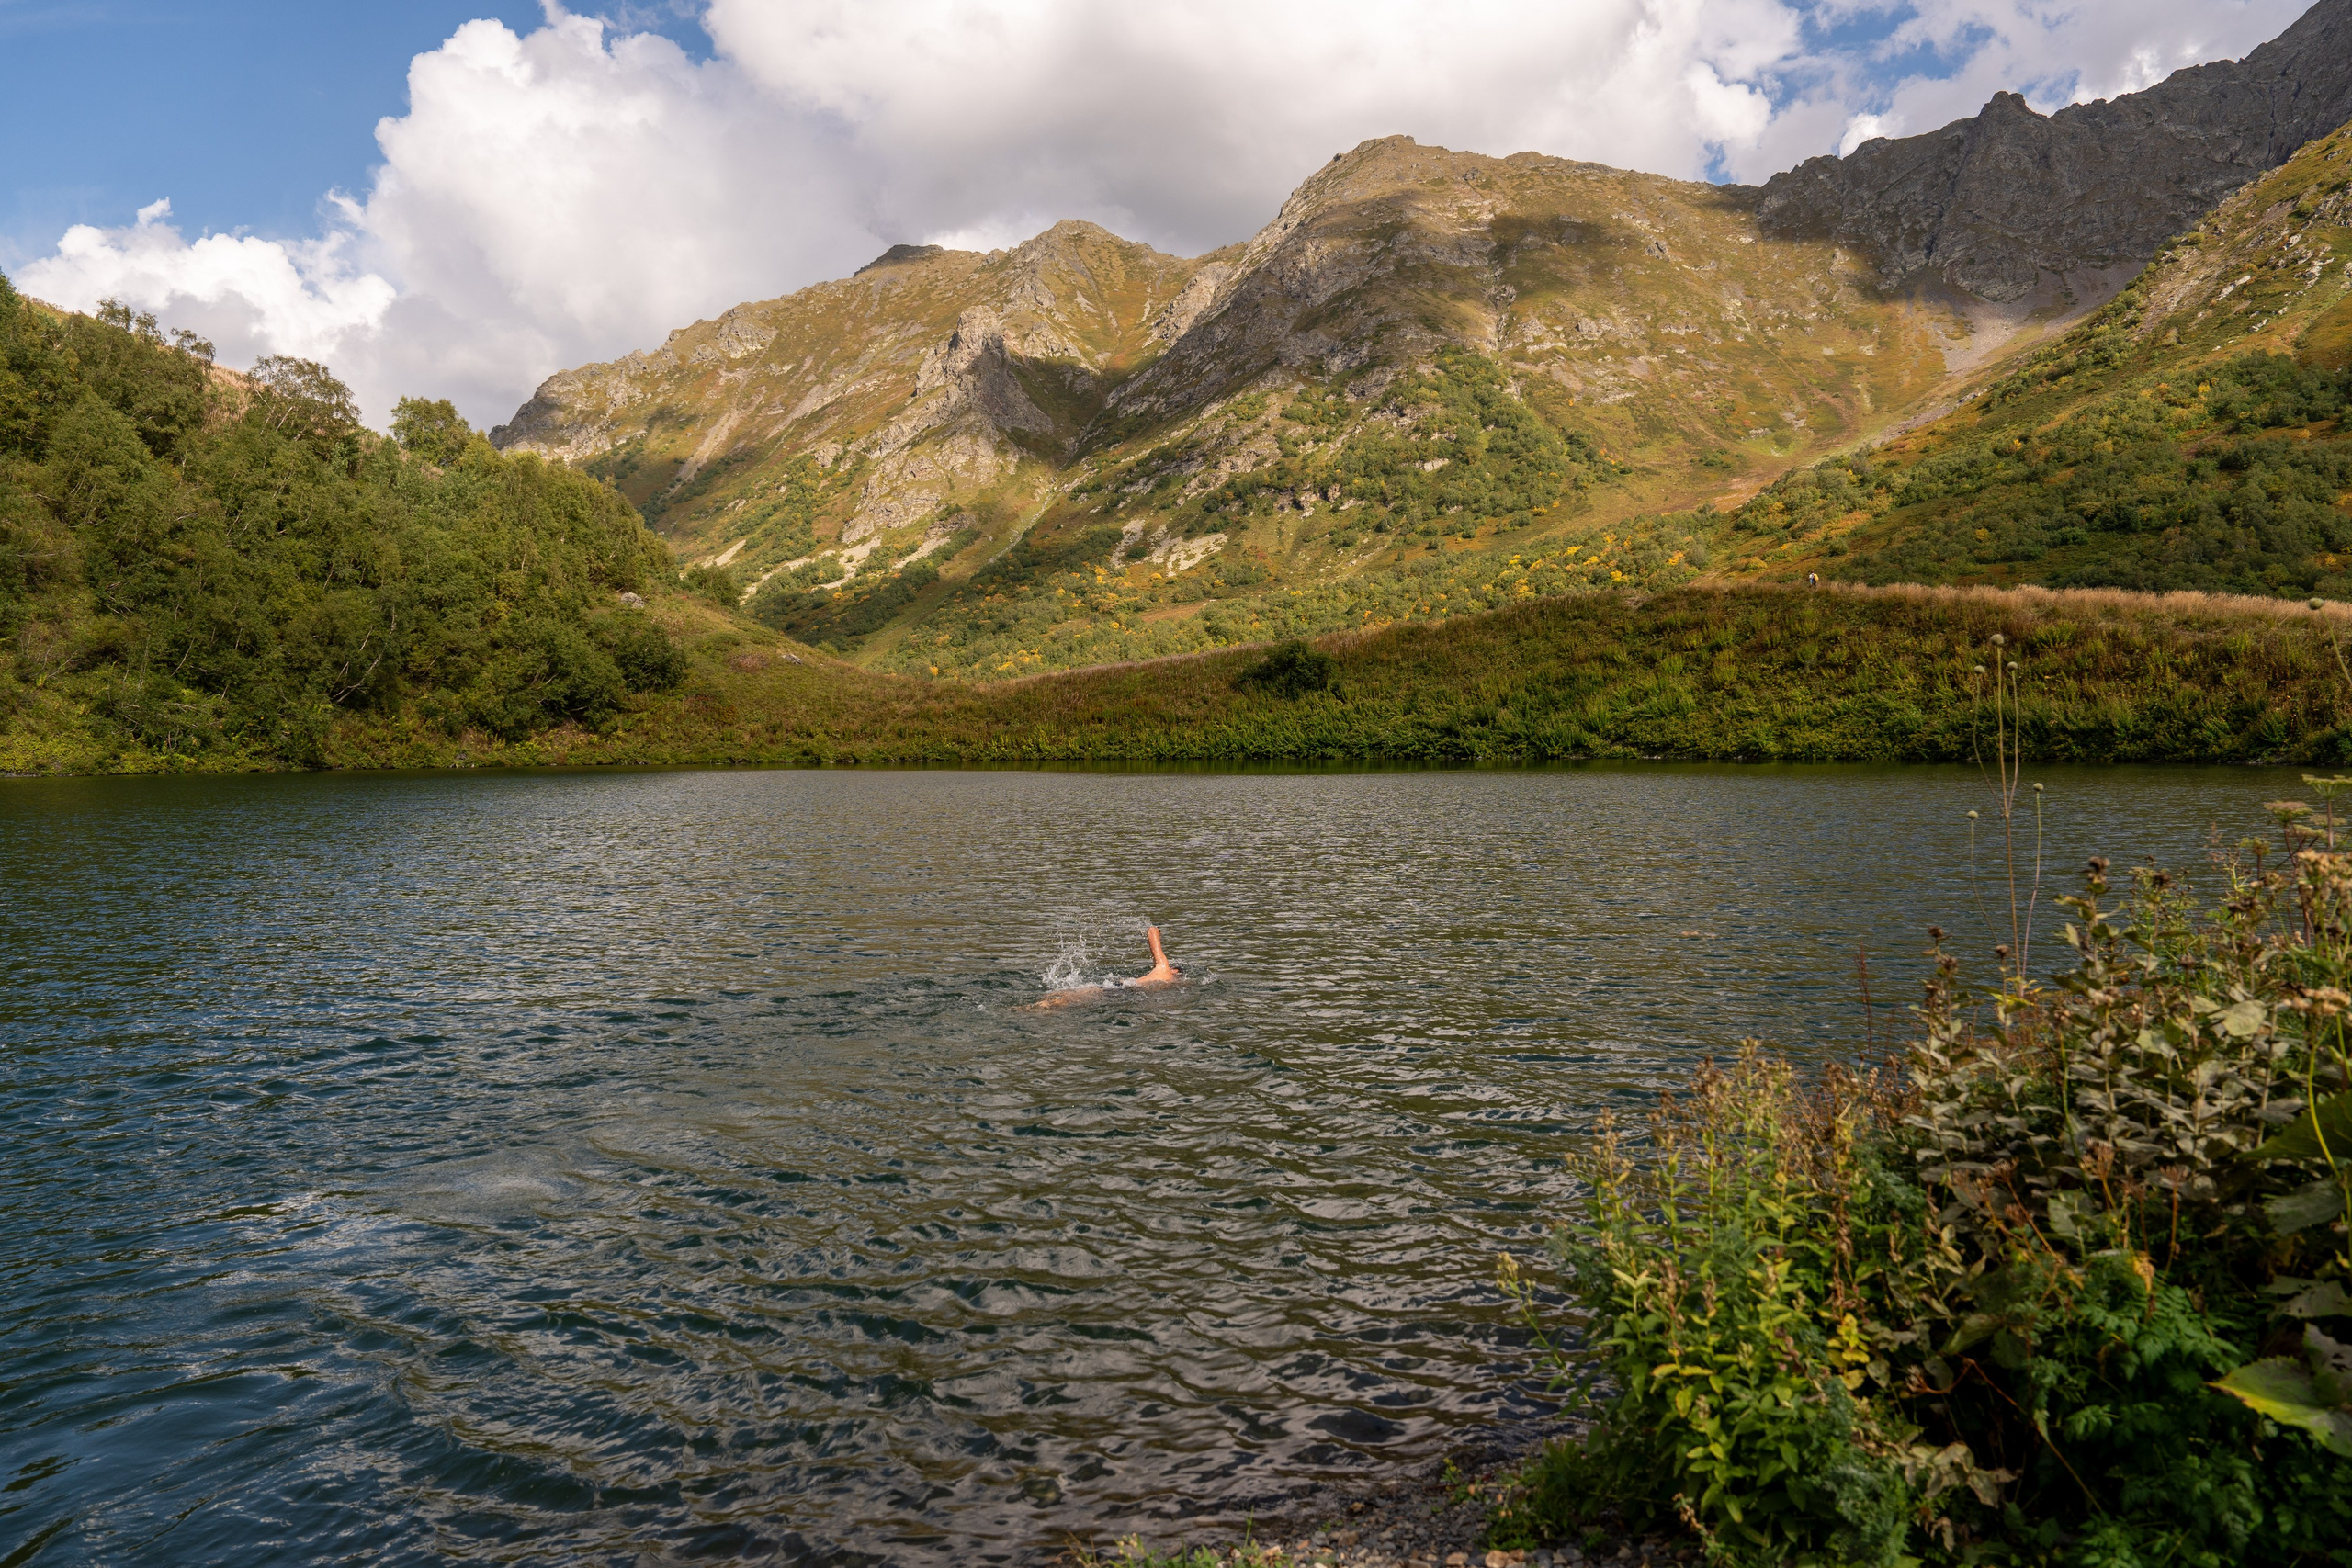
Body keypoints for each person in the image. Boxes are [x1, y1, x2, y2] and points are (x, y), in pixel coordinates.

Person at [1025, 925, 1182, 1009]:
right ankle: (1042, 1006)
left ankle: (1039, 1005)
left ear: (1174, 969)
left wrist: (1157, 929)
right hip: (1127, 993)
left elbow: (1151, 931)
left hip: (1122, 988)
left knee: (1073, 994)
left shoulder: (1164, 968)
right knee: (1076, 998)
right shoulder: (1171, 985)